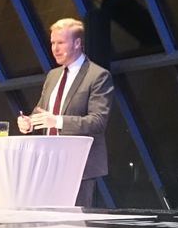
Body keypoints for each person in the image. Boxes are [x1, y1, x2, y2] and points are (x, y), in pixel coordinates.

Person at [17, 17, 114, 207]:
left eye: (60, 43)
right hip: (48, 164)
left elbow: (98, 121)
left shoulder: (98, 76)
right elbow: (41, 112)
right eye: (52, 43)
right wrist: (29, 122)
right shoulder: (53, 76)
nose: (55, 48)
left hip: (79, 166)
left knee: (75, 222)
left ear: (77, 43)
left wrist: (58, 121)